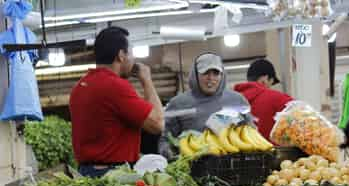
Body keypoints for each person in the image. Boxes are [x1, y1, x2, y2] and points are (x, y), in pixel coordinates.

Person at [70, 26, 164, 177]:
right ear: (121, 55)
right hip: (111, 175)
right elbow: (157, 124)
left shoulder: (80, 86)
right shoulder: (115, 86)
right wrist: (147, 80)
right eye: (131, 53)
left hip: (87, 172)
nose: (133, 60)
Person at [158, 52, 251, 158]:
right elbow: (166, 139)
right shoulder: (178, 104)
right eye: (205, 73)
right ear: (195, 75)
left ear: (222, 75)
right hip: (193, 166)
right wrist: (168, 152)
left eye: (216, 73)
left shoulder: (237, 100)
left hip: (232, 165)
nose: (210, 78)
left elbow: (250, 132)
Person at [234, 59, 293, 142]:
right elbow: (304, 117)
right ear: (265, 79)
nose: (270, 87)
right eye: (271, 83)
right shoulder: (278, 98)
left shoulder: (231, 102)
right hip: (274, 153)